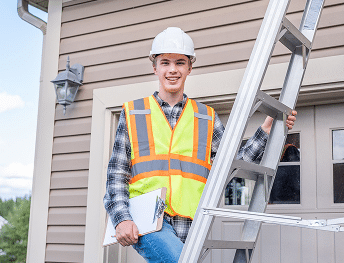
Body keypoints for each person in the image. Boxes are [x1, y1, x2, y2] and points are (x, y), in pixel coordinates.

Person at [103, 27, 297, 262]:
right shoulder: (133, 113)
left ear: (189, 68)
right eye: (165, 62)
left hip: (192, 223)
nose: (172, 69)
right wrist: (121, 218)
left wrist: (266, 130)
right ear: (155, 67)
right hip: (148, 221)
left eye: (180, 62)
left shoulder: (206, 117)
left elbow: (234, 163)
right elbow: (116, 173)